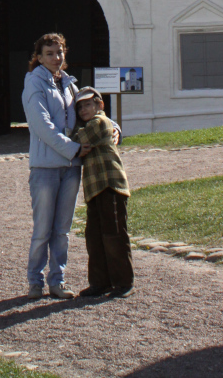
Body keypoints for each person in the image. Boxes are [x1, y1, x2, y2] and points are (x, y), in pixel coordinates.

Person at [21, 32, 91, 300]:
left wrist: (112, 128)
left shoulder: (69, 85)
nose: (56, 58)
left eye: (59, 52)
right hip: (46, 168)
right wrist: (73, 149)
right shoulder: (34, 83)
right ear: (38, 57)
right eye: (49, 53)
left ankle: (57, 281)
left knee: (62, 230)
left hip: (70, 168)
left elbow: (89, 113)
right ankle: (35, 281)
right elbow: (41, 126)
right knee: (43, 229)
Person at [73, 86, 134, 298]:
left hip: (110, 186)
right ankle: (100, 282)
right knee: (94, 237)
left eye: (88, 104)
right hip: (94, 189)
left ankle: (123, 282)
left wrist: (65, 137)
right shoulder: (89, 124)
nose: (83, 110)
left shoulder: (100, 122)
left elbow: (79, 139)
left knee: (114, 234)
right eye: (79, 107)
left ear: (100, 105)